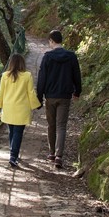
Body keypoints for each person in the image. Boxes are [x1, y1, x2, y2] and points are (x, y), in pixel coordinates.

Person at [36, 29, 82, 169]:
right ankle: (58, 156)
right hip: (65, 96)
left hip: (50, 96)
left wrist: (39, 96)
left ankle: (51, 153)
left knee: (51, 125)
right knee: (61, 125)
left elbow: (42, 78)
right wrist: (77, 91)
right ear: (61, 40)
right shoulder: (71, 56)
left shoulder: (47, 57)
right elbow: (76, 75)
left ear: (51, 41)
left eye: (48, 42)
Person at [0, 53, 41, 168]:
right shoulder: (27, 76)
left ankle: (13, 154)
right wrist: (37, 105)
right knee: (18, 133)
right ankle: (13, 156)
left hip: (8, 108)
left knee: (12, 132)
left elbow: (1, 93)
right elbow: (31, 92)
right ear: (22, 63)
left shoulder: (5, 75)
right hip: (21, 109)